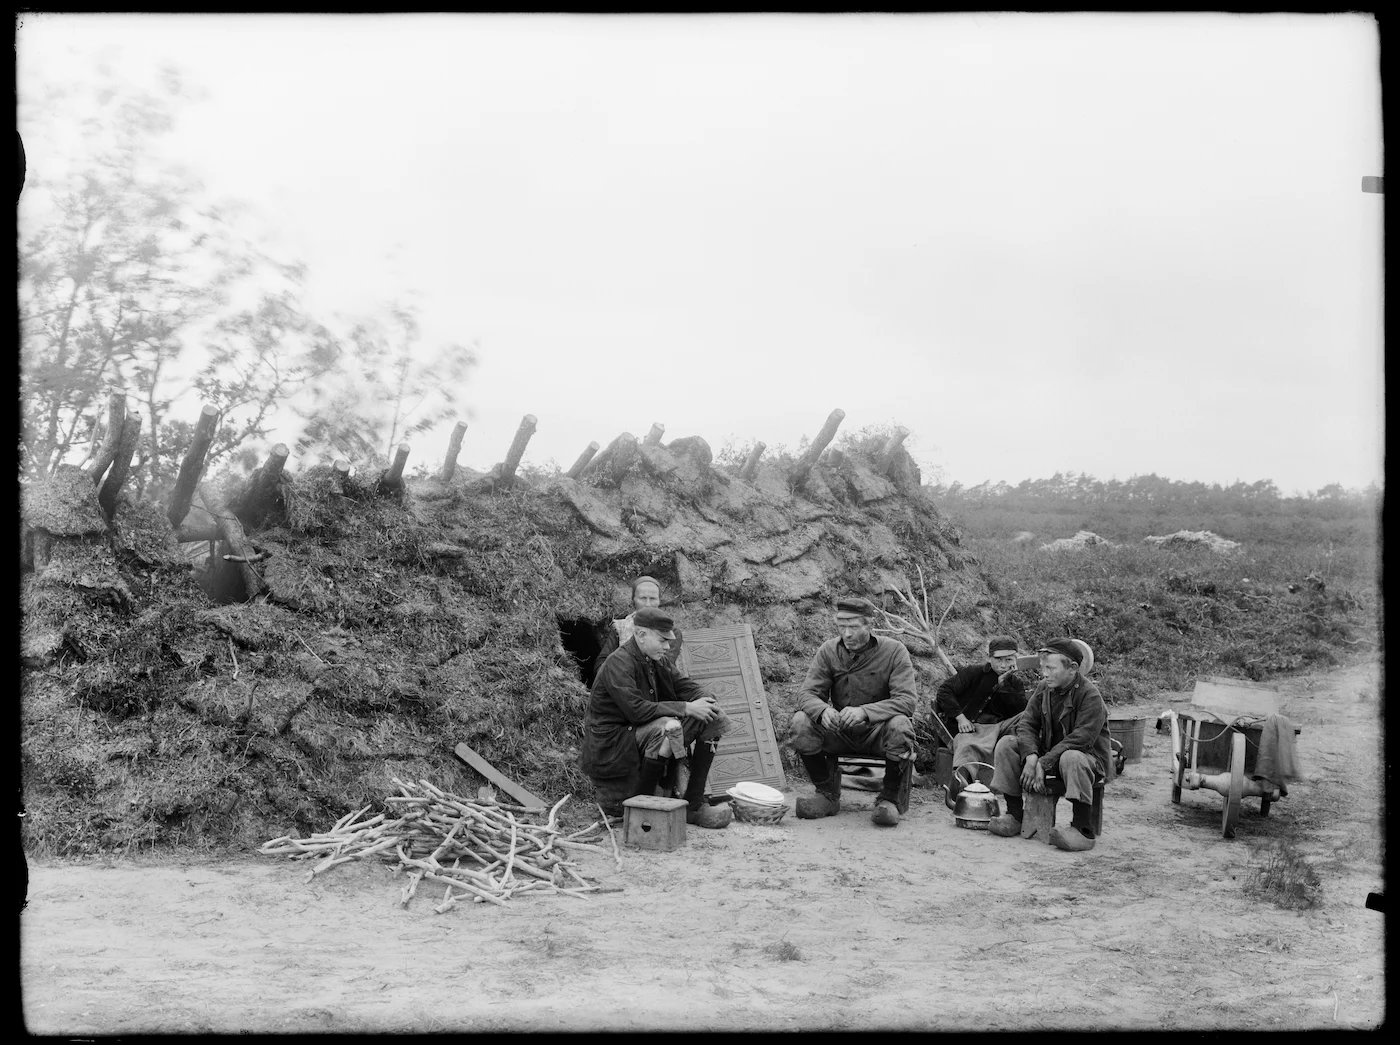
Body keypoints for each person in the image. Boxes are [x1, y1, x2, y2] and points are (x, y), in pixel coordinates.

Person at [578, 607, 734, 829]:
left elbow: (684, 686)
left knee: (710, 716)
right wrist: (687, 707)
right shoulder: (618, 663)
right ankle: (643, 810)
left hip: (638, 732)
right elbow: (637, 711)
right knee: (667, 727)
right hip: (612, 743)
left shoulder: (654, 659)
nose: (668, 646)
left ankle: (693, 804)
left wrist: (707, 700)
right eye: (662, 640)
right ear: (641, 635)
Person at [789, 596, 918, 827]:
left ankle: (888, 799)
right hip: (839, 731)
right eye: (841, 627)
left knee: (901, 726)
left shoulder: (894, 651)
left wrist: (865, 712)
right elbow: (806, 694)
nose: (846, 634)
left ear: (869, 625)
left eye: (853, 627)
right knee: (801, 722)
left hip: (878, 734)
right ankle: (826, 794)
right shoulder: (828, 650)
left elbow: (907, 701)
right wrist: (822, 711)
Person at [987, 638, 1111, 852]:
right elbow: (1026, 723)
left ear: (1072, 669)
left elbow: (1081, 739)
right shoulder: (1044, 688)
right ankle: (1014, 815)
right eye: (1043, 668)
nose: (1044, 673)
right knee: (1006, 744)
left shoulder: (1090, 695)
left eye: (1050, 668)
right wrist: (1031, 756)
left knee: (1072, 756)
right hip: (1050, 756)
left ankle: (1083, 830)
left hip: (1087, 760)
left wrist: (1043, 762)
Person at [934, 636, 1027, 781]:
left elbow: (1019, 710)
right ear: (990, 659)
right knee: (967, 745)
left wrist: (1004, 685)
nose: (1003, 665)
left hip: (998, 728)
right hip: (972, 728)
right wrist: (960, 718)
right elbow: (945, 691)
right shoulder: (974, 672)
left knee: (1027, 715)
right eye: (999, 659)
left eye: (1009, 660)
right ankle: (961, 782)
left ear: (1015, 661)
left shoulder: (1016, 683)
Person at [591, 575, 688, 684]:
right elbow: (602, 661)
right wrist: (612, 678)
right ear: (634, 600)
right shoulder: (620, 628)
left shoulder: (671, 632)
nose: (647, 604)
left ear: (659, 601)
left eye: (652, 599)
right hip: (624, 685)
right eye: (642, 598)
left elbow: (664, 666)